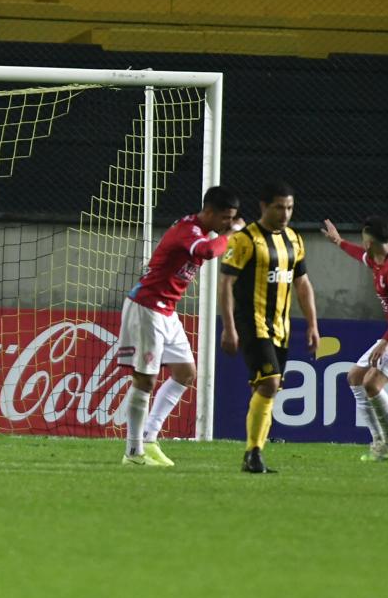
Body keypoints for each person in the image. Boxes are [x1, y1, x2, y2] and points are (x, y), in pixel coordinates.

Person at [117, 186, 244, 467]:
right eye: (225, 218)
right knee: (145, 379)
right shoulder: (188, 230)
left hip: (167, 311)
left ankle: (149, 437)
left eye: (232, 218)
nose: (228, 223)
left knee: (186, 373)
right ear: (208, 212)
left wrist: (228, 232)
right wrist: (233, 233)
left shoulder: (201, 229)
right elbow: (209, 251)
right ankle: (134, 451)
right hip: (147, 307)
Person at [220, 181, 320, 474]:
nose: (285, 213)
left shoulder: (294, 239)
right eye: (279, 206)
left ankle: (255, 452)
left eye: (289, 207)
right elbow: (226, 283)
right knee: (270, 382)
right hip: (252, 324)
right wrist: (229, 327)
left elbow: (302, 283)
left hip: (281, 327)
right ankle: (253, 452)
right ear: (264, 206)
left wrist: (313, 324)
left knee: (269, 388)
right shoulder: (244, 240)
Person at [321, 216, 388, 461]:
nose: (362, 243)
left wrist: (385, 341)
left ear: (369, 240)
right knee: (355, 377)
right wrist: (338, 241)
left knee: (371, 384)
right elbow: (359, 255)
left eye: (363, 238)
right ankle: (379, 442)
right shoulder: (377, 258)